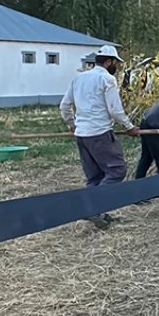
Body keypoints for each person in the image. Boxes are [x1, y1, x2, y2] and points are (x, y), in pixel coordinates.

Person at [60, 45, 138, 229]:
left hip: (82, 135)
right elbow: (115, 110)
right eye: (115, 63)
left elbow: (64, 106)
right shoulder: (107, 79)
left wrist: (72, 124)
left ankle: (98, 212)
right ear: (109, 62)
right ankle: (92, 209)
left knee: (94, 177)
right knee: (116, 171)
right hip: (100, 134)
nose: (116, 67)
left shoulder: (78, 78)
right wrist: (130, 127)